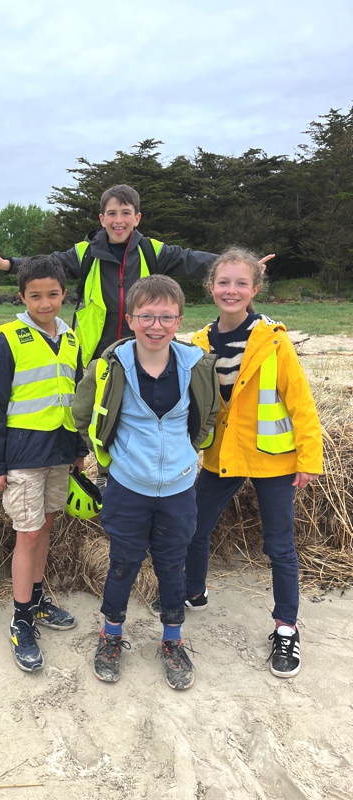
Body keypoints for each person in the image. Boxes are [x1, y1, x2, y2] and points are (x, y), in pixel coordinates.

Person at [72, 275, 220, 690]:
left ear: (179, 320)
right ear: (131, 319)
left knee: (172, 566)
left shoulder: (197, 366)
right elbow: (82, 415)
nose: (157, 326)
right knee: (123, 562)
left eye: (167, 317)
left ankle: (172, 640)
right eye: (147, 316)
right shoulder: (109, 366)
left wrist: (185, 454)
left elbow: (208, 416)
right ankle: (111, 635)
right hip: (127, 487)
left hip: (178, 489)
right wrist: (111, 458)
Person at [183, 248, 323, 679]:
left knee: (279, 546)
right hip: (222, 456)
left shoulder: (274, 340)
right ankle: (193, 592)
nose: (232, 290)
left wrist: (309, 458)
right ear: (211, 288)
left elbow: (300, 402)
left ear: (255, 289)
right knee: (193, 528)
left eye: (241, 283)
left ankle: (286, 627)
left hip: (273, 460)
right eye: (224, 282)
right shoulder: (198, 343)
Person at [0, 184, 273, 367]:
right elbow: (46, 265)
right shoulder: (85, 252)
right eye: (112, 213)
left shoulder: (151, 250)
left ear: (137, 218)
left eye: (126, 213)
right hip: (94, 353)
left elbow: (190, 259)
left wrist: (241, 266)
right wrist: (7, 264)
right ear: (102, 218)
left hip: (143, 347)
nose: (119, 220)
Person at [0, 255, 89, 672]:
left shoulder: (72, 338)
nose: (45, 303)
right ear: (22, 297)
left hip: (59, 450)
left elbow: (76, 399)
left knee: (45, 527)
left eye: (53, 295)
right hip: (23, 453)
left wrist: (79, 448)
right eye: (35, 296)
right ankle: (21, 619)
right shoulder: (8, 338)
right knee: (27, 535)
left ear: (64, 294)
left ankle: (38, 600)